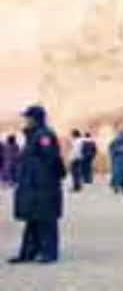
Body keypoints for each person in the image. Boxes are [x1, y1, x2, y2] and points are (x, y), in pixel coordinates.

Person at [9, 105, 64, 264]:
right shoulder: (31, 136)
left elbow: (51, 159)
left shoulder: (44, 135)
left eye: (28, 118)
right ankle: (28, 253)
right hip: (31, 185)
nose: (26, 121)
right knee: (32, 218)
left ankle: (49, 253)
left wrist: (45, 180)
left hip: (44, 185)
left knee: (46, 219)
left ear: (36, 119)